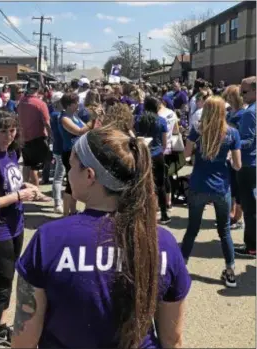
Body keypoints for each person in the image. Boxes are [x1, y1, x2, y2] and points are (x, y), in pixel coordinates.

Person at [12, 126, 191, 349]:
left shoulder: (49, 239)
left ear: (89, 175)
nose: (68, 173)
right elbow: (172, 339)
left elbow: (24, 339)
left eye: (71, 166)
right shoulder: (162, 243)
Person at [0, 110, 39, 347]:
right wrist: (18, 195)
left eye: (12, 130)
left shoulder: (11, 153)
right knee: (1, 288)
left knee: (9, 281)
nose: (8, 135)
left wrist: (27, 188)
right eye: (2, 130)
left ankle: (1, 327)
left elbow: (11, 183)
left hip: (16, 227)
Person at [181, 96, 242, 287]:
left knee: (192, 228)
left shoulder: (197, 132)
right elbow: (238, 165)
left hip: (199, 185)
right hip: (221, 186)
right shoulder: (232, 133)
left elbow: (186, 155)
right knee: (224, 231)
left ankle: (182, 267)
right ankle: (230, 271)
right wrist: (227, 161)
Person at [138, 96, 171, 224]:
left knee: (142, 185)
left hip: (142, 154)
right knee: (160, 185)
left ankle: (143, 213)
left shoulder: (139, 119)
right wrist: (160, 151)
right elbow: (164, 142)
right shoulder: (161, 121)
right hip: (157, 155)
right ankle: (163, 214)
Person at [58, 93, 91, 216]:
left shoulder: (74, 116)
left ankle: (73, 211)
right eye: (76, 102)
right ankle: (66, 214)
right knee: (71, 185)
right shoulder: (64, 118)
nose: (79, 104)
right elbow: (79, 131)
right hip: (70, 154)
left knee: (76, 184)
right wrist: (94, 120)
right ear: (70, 105)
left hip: (79, 153)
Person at [17, 79, 52, 196]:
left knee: (27, 166)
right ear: (37, 90)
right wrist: (52, 137)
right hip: (37, 138)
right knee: (35, 169)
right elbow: (47, 123)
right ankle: (36, 194)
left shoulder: (21, 102)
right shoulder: (40, 104)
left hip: (24, 138)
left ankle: (24, 191)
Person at [234, 76, 256, 258]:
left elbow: (248, 141)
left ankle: (251, 247)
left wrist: (231, 142)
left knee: (250, 208)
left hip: (248, 164)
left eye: (245, 92)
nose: (241, 95)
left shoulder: (250, 113)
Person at [222, 85, 245, 229]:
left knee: (238, 188)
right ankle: (232, 214)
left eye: (229, 96)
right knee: (232, 186)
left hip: (237, 154)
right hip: (228, 155)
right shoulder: (230, 113)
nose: (227, 99)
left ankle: (238, 218)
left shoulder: (242, 114)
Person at [50, 92, 65, 214]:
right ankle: (57, 202)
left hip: (59, 147)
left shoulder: (57, 114)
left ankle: (58, 201)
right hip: (61, 148)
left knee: (60, 175)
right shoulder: (57, 115)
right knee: (59, 176)